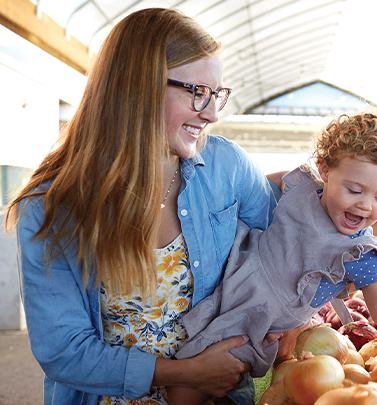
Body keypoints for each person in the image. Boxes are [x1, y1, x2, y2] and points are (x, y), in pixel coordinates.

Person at [3, 8, 281, 405]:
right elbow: (64, 351)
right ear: (140, 87)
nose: (213, 113)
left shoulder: (226, 166)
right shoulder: (52, 206)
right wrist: (189, 374)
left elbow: (286, 239)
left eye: (218, 94)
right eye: (198, 92)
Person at [167, 110, 377, 405]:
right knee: (182, 377)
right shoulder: (300, 187)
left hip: (252, 330)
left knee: (190, 390)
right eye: (354, 190)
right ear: (324, 169)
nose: (364, 206)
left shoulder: (360, 254)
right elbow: (257, 190)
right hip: (220, 288)